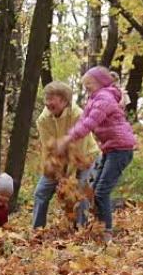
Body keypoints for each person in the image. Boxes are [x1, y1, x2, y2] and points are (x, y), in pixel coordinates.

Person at [56, 66, 136, 242]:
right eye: (84, 86)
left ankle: (106, 232)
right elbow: (83, 120)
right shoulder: (94, 99)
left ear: (100, 83)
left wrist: (68, 139)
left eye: (89, 84)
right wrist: (68, 138)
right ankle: (101, 227)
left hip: (121, 149)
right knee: (93, 191)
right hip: (110, 148)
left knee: (101, 192)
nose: (86, 88)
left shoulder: (105, 98)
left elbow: (90, 123)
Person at [32, 81, 101, 229]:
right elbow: (47, 149)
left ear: (64, 100)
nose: (48, 103)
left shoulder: (78, 115)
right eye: (47, 98)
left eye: (52, 99)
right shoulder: (43, 120)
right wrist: (56, 174)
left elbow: (79, 151)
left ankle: (81, 229)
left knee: (81, 190)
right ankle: (37, 230)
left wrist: (69, 178)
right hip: (59, 160)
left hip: (86, 157)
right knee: (40, 192)